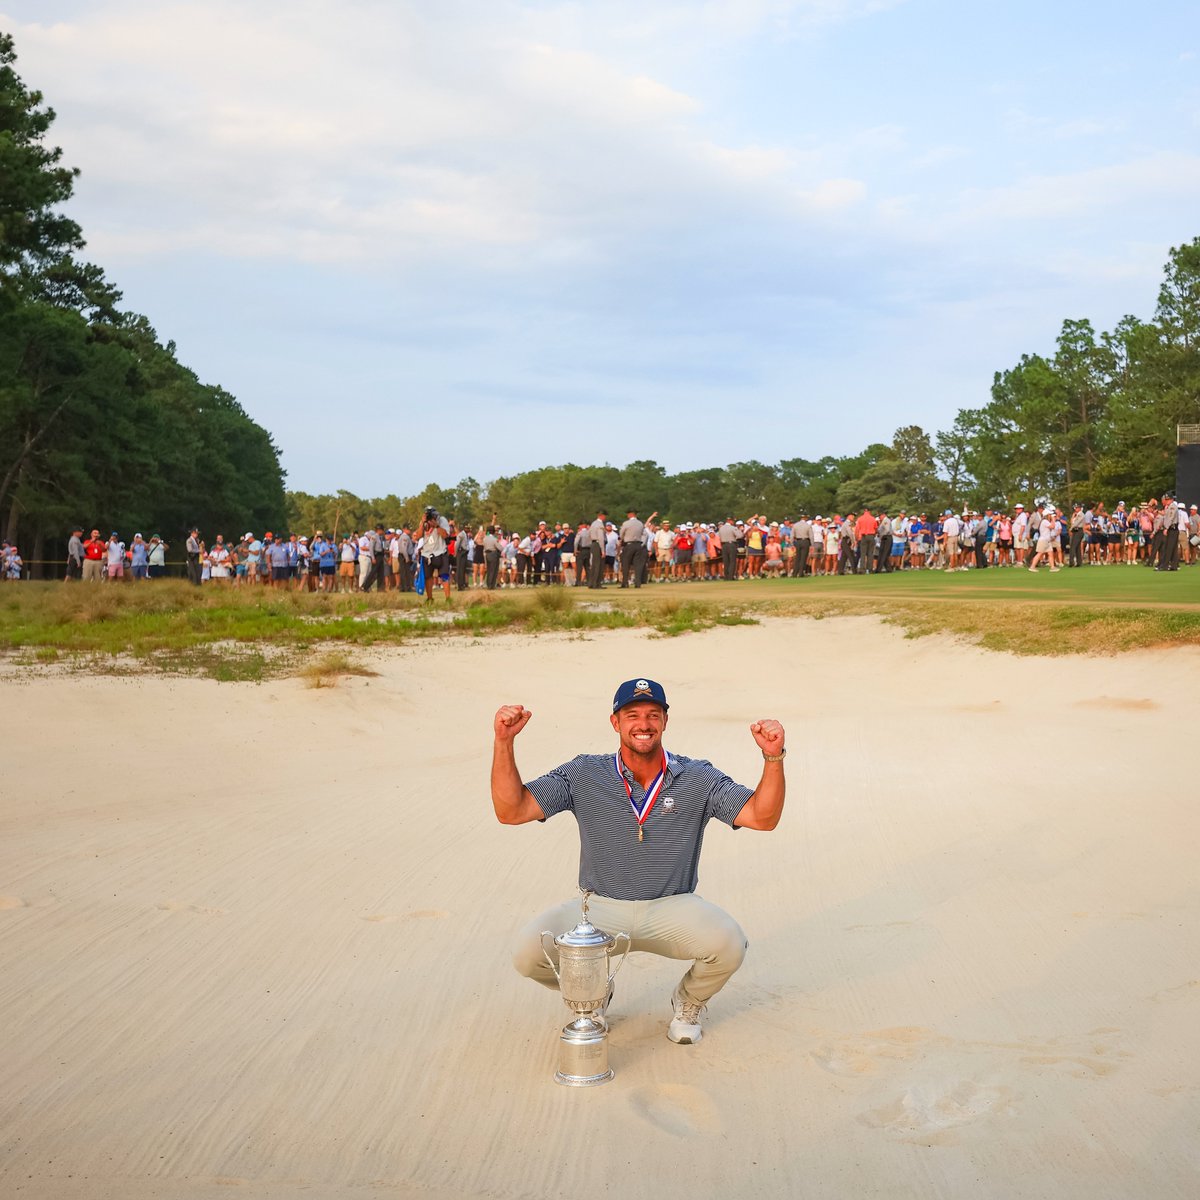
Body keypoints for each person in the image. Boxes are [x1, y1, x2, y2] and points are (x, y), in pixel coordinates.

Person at [492, 678, 786, 1045]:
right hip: (600, 908)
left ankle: (688, 1001)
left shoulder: (697, 777)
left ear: (665, 721)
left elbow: (763, 817)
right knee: (527, 953)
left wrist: (773, 758)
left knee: (729, 943)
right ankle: (593, 992)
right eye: (632, 715)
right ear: (615, 722)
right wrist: (504, 742)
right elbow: (511, 810)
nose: (643, 724)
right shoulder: (583, 773)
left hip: (672, 906)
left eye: (652, 715)